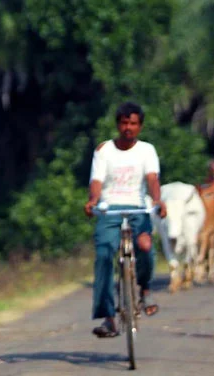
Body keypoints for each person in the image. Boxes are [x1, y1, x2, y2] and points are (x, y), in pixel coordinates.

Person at [83, 102, 167, 338]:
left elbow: (152, 179)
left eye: (133, 123)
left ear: (139, 126)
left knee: (145, 246)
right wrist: (93, 201)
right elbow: (97, 182)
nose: (128, 128)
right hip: (109, 208)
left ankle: (146, 289)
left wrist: (157, 200)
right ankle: (108, 317)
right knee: (103, 255)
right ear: (117, 124)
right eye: (124, 123)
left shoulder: (147, 150)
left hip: (138, 208)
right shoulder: (104, 150)